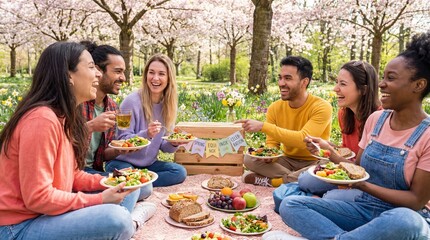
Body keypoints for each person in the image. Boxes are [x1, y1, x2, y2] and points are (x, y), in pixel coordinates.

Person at [280, 32, 430, 239]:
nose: (381, 84)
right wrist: (328, 152)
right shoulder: (376, 120)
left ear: (418, 85)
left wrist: (362, 185)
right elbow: (357, 169)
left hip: (406, 216)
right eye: (383, 77)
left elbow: (415, 201)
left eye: (391, 78)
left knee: (406, 220)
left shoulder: (427, 134)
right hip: (364, 207)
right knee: (291, 204)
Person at [0, 42, 156, 240]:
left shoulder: (63, 117)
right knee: (116, 219)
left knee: (131, 186)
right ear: (68, 76)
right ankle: (131, 222)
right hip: (19, 227)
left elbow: (72, 175)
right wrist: (99, 199)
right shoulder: (41, 120)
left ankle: (123, 222)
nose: (98, 75)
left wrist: (108, 181)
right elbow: (37, 198)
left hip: (45, 215)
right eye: (91, 67)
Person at [236, 55, 333, 187]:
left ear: (304, 82)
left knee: (328, 166)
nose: (281, 83)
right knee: (249, 159)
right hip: (286, 160)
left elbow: (303, 140)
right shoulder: (275, 107)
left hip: (315, 161)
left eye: (288, 78)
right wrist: (270, 155)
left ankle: (275, 181)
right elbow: (272, 142)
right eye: (280, 78)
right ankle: (298, 179)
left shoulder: (322, 107)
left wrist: (263, 126)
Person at [80, 41, 152, 200]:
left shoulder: (112, 107)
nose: (123, 78)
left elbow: (104, 154)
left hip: (94, 171)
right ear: (98, 71)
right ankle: (130, 217)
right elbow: (62, 142)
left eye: (124, 72)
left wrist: (121, 149)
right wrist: (91, 126)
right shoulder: (78, 102)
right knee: (129, 191)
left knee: (145, 186)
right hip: (76, 172)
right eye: (118, 71)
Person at [298, 60, 381, 197]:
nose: (335, 88)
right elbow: (348, 151)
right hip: (346, 169)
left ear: (364, 90)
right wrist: (325, 147)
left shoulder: (379, 118)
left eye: (342, 84)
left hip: (368, 179)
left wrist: (330, 152)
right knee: (305, 180)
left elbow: (361, 169)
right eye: (337, 82)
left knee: (330, 197)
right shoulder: (344, 114)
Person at [105, 53, 187, 187]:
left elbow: (164, 147)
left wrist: (174, 143)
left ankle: (140, 183)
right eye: (151, 72)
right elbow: (123, 139)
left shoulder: (168, 106)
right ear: (146, 75)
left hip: (148, 165)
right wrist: (146, 134)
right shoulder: (131, 101)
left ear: (169, 78)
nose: (155, 78)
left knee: (179, 172)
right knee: (128, 175)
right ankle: (141, 183)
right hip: (122, 162)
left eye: (161, 74)